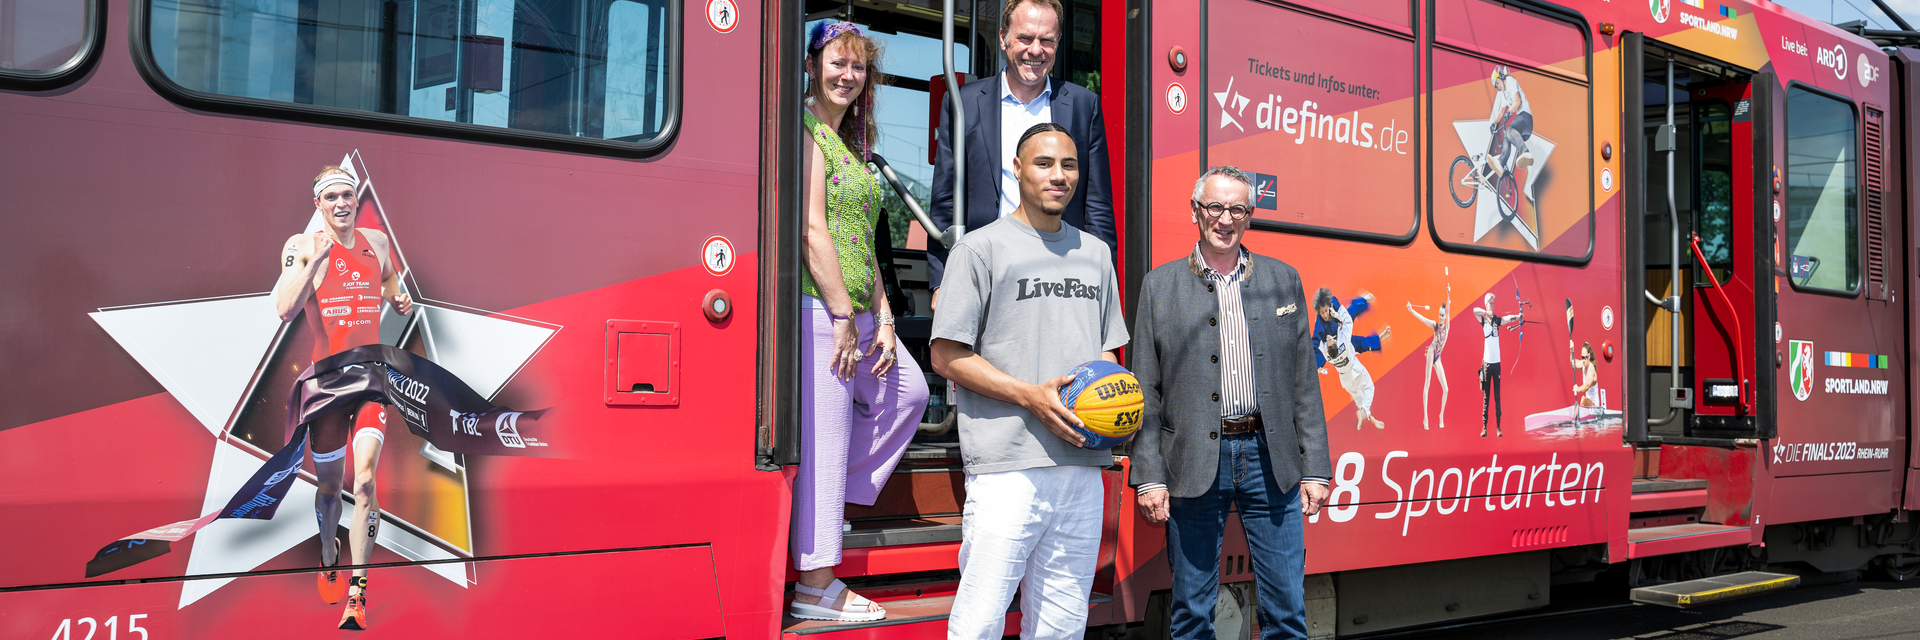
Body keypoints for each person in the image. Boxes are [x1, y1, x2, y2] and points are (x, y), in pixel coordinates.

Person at [930, 123, 1127, 640]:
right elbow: (947, 355)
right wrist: (1029, 396)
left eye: (1068, 165)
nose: (1057, 176)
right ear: (1017, 169)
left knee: (1063, 626)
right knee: (979, 622)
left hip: (1083, 465)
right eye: (1043, 163)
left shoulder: (1097, 254)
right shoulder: (978, 249)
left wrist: (1112, 409)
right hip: (1006, 468)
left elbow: (1107, 355)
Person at [1129, 166, 1332, 640]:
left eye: (1237, 209)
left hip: (1271, 459)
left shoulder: (1284, 280)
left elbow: (1303, 379)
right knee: (1192, 615)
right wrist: (1149, 477)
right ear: (1196, 211)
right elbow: (1146, 390)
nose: (1225, 219)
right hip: (1193, 462)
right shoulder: (1159, 286)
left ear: (1250, 215)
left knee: (1287, 613)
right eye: (1214, 207)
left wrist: (1316, 466)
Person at [788, 21, 930, 623]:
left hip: (860, 310)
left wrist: (887, 317)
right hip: (821, 308)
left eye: (858, 67)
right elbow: (812, 229)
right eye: (837, 64)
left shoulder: (853, 145)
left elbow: (861, 243)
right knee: (827, 435)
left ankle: (821, 508)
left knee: (909, 392)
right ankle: (817, 585)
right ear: (814, 65)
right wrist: (843, 314)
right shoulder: (806, 130)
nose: (848, 76)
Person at [272, 165, 412, 631]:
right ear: (318, 204)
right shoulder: (303, 245)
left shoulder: (378, 242)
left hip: (371, 377)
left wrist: (399, 297)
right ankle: (329, 550)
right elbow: (283, 308)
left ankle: (358, 591)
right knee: (330, 489)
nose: (340, 203)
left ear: (357, 200)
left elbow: (391, 280)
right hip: (327, 384)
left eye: (347, 195)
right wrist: (312, 264)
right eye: (330, 197)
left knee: (366, 481)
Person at [928, 0, 1114, 304]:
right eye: (1025, 38)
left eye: (1047, 40)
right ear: (1003, 38)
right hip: (985, 267)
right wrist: (940, 281)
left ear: (1057, 43)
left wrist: (1105, 283)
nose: (1036, 50)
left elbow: (1097, 204)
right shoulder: (963, 102)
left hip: (1064, 270)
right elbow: (946, 197)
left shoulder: (1083, 104)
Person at [1314, 290, 1389, 430]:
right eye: (1322, 312)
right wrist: (1338, 320)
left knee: (1357, 394)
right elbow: (1346, 319)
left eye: (1325, 311)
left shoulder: (1327, 354)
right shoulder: (1328, 331)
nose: (1324, 314)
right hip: (1344, 343)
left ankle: (1363, 301)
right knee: (1359, 341)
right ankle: (1379, 338)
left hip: (1345, 376)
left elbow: (1320, 347)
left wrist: (1318, 367)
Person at [1473, 293, 1525, 437]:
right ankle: (1484, 427)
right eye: (1490, 302)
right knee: (1486, 397)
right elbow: (1474, 311)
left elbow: (1507, 319)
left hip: (1497, 365)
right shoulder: (1483, 320)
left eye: (1493, 303)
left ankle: (1498, 427)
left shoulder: (1496, 320)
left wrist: (1518, 316)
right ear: (1486, 304)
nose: (1492, 304)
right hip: (1487, 365)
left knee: (1497, 397)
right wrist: (1486, 313)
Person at [1406, 282, 1452, 430]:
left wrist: (1448, 293)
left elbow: (1450, 310)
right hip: (1431, 352)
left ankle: (1441, 416)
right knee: (1428, 383)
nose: (1440, 317)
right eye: (1439, 314)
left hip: (1439, 356)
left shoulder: (1447, 327)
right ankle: (1425, 417)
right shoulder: (1435, 325)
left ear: (1445, 316)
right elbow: (1423, 319)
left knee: (1446, 389)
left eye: (1442, 315)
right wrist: (1411, 310)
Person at [1486, 66, 1533, 178]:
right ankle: (1501, 164)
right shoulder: (1503, 95)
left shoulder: (1510, 81)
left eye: (1497, 83)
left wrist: (1510, 111)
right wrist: (1493, 123)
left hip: (1526, 118)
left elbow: (1517, 101)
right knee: (1508, 133)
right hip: (1523, 130)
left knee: (1510, 130)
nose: (1498, 87)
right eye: (1496, 86)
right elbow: (1500, 112)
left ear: (1501, 77)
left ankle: (1525, 152)